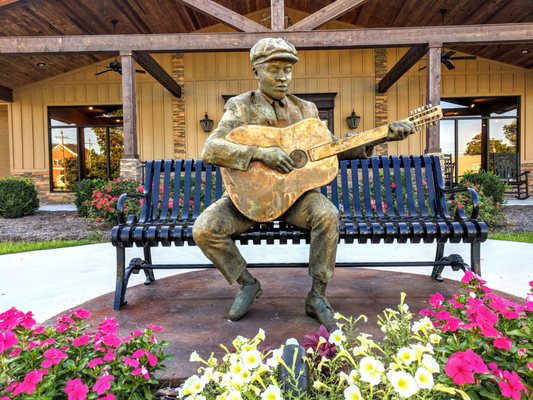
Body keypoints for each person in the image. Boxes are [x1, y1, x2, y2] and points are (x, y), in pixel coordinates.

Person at [193, 38, 415, 330]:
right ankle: (246, 283)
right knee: (204, 229)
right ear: (256, 71)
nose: (283, 76)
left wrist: (381, 136)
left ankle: (317, 296)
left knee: (327, 214)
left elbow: (333, 147)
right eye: (274, 69)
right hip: (249, 198)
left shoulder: (307, 110)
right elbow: (210, 150)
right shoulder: (240, 106)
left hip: (297, 197)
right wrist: (259, 154)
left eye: (287, 69)